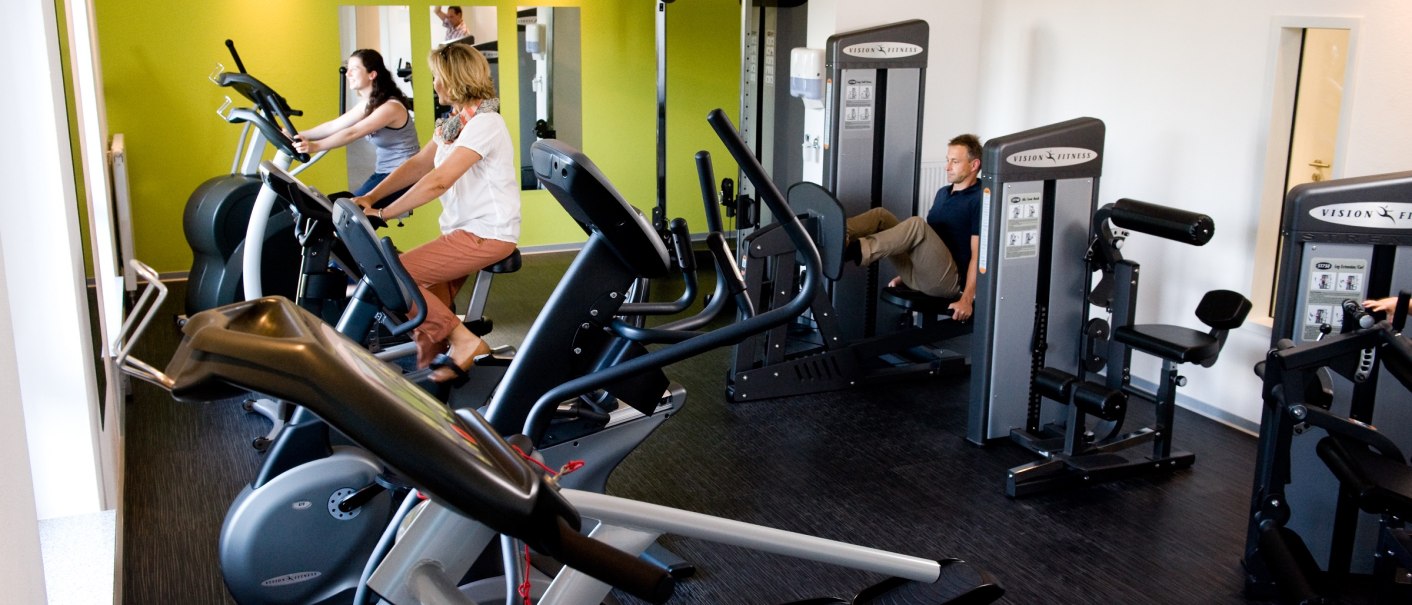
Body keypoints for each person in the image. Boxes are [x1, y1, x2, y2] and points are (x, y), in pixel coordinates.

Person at [351, 43, 519, 384]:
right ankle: (430, 378)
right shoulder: (454, 124)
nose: (433, 85)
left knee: (398, 277)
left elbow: (439, 181)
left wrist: (383, 213)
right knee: (428, 319)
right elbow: (416, 165)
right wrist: (369, 196)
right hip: (462, 231)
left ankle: (465, 342)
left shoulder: (486, 123)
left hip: (487, 234)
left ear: (455, 80)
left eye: (437, 78)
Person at [843, 133, 984, 321]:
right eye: (947, 160)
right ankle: (839, 236)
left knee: (917, 225)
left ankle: (851, 251)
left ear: (974, 165)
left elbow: (978, 256)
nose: (947, 167)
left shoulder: (980, 199)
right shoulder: (943, 193)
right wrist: (905, 277)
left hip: (949, 282)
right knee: (881, 215)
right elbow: (929, 246)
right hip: (923, 274)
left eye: (955, 162)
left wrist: (966, 299)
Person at [293, 49, 419, 198]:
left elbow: (353, 132)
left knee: (347, 212)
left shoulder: (390, 107)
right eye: (348, 69)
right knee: (335, 205)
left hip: (404, 175)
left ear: (372, 74)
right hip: (384, 171)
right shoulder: (369, 104)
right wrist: (297, 134)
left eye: (354, 69)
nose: (348, 74)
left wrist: (315, 146)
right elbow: (333, 126)